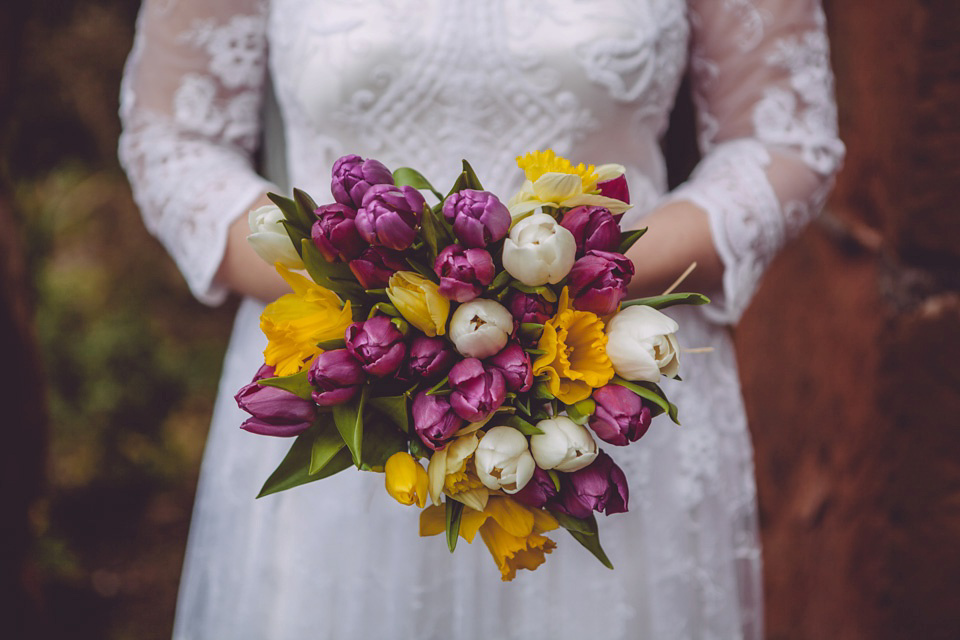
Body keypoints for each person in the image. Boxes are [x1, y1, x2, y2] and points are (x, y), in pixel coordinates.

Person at [119, 1, 843, 638]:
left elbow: (783, 142)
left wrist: (582, 274)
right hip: (345, 388)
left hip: (605, 382)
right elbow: (174, 142)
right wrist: (375, 308)